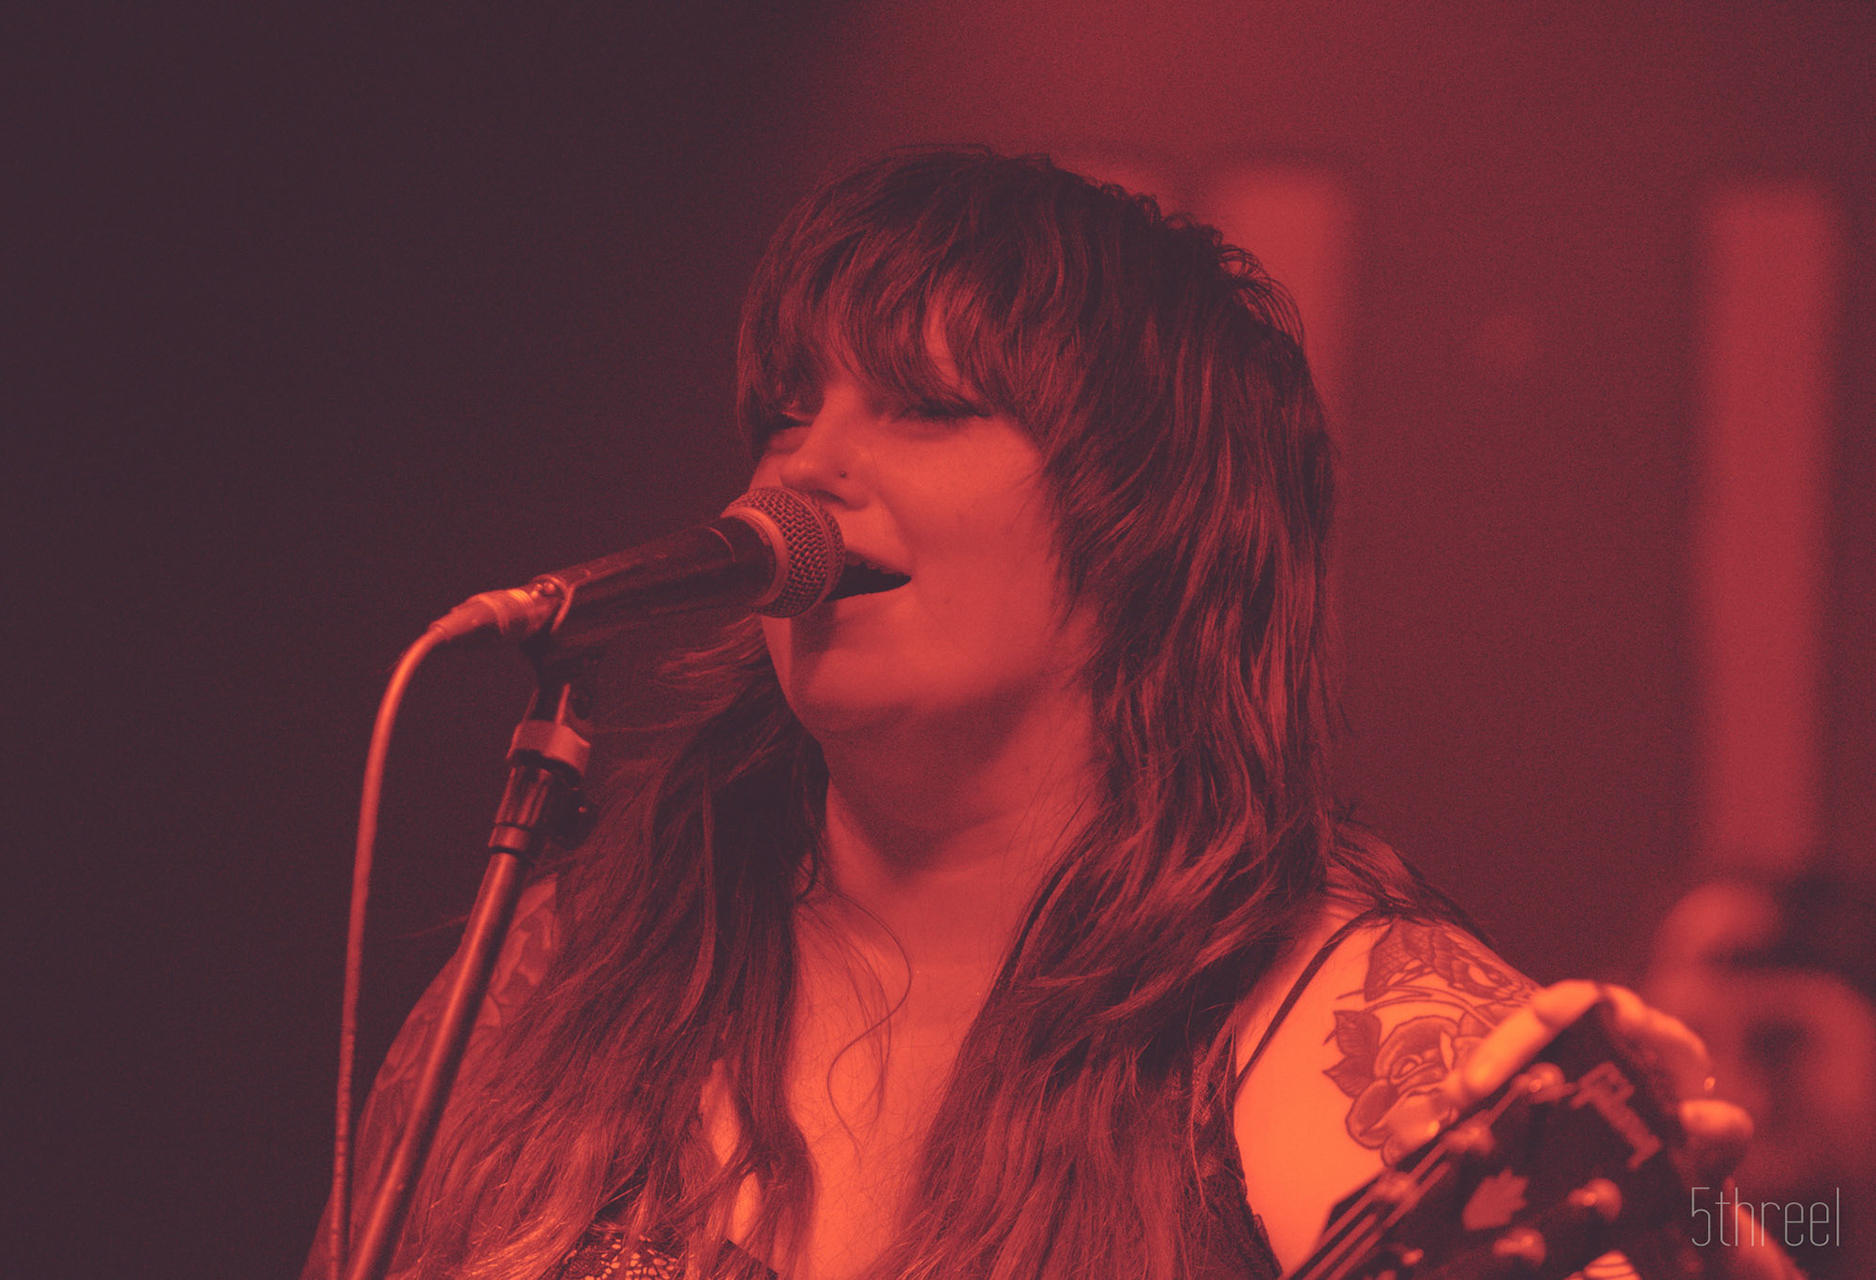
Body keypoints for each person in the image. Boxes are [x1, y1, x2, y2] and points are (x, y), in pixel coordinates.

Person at [306, 148, 1785, 1280]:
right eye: (787, 411)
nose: (806, 468)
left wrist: (1717, 1250)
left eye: (925, 406)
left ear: (1145, 526)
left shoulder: (1333, 1011)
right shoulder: (567, 959)